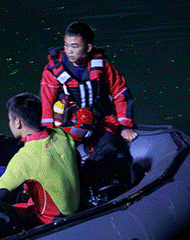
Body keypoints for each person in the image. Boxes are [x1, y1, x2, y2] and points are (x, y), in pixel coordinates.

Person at [39, 21, 136, 195]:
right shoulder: (53, 71)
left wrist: (125, 126)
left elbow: (120, 93)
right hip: (67, 125)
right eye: (66, 45)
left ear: (88, 47)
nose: (69, 51)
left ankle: (109, 184)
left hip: (100, 120)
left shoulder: (103, 67)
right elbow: (46, 102)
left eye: (75, 46)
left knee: (109, 151)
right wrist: (46, 133)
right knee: (62, 160)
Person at [0, 92, 80, 225]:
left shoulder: (26, 156)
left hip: (51, 218)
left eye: (9, 120)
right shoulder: (61, 134)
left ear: (17, 123)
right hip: (75, 204)